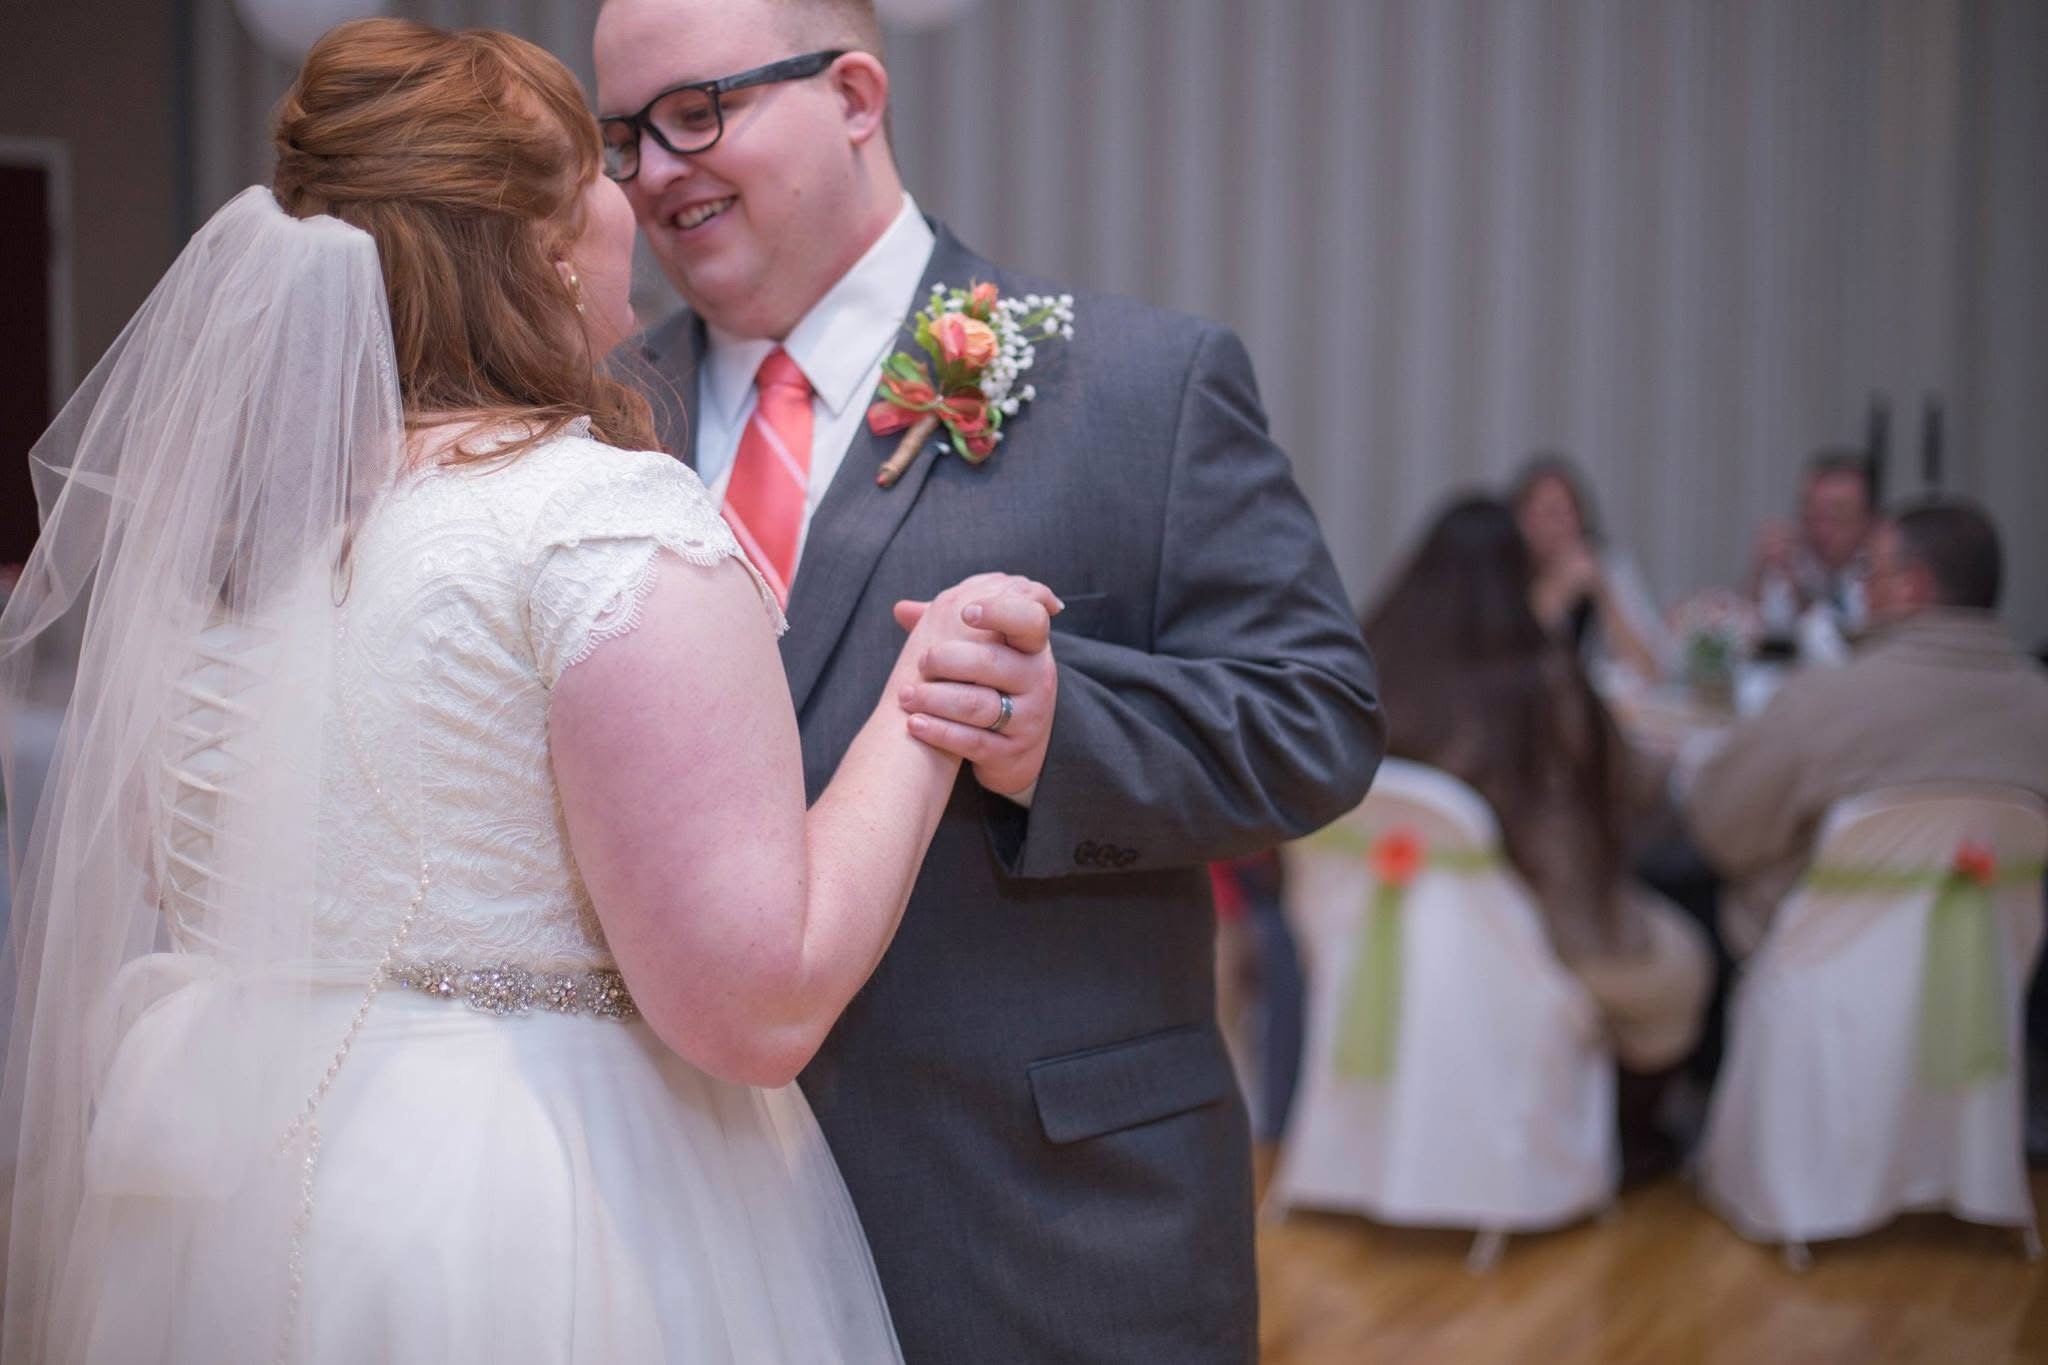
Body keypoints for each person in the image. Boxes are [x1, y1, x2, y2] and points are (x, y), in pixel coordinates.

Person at [0, 21, 1066, 1362]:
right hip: (526, 1204)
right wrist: (927, 699)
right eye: (602, 167)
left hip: (238, 1195)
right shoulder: (594, 521)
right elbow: (759, 1003)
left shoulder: (227, 549)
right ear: (552, 243)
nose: (637, 195)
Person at [595, 1, 1384, 1358]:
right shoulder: (594, 413)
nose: (658, 171)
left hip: (1039, 1224)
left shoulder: (1138, 387)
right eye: (624, 137)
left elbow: (1319, 718)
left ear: (854, 95)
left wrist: (1058, 730)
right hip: (672, 1227)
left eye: (698, 112)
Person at [1361, 497, 1710, 1165]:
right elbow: (1640, 794)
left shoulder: (1368, 674)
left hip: (1385, 938)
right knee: (1682, 961)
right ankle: (1624, 1137)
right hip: (1541, 941)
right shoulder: (1546, 687)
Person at [1687, 498, 2048, 958]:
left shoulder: (1824, 702)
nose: (1862, 590)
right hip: (1991, 975)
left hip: (1818, 968)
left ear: (1911, 585)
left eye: (1869, 572)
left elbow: (1719, 829)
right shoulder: (2039, 705)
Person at [1510, 453, 1666, 684]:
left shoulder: (1609, 564)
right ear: (1520, 520)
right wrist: (1556, 593)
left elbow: (1650, 670)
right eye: (1550, 513)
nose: (1561, 525)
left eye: (1569, 512)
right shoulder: (1503, 569)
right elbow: (1506, 663)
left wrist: (1603, 594)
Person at [1747, 448, 1876, 644]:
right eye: (1811, 516)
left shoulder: (1881, 574)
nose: (1820, 529)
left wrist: (1802, 601)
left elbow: (1849, 648)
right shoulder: (1794, 560)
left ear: (1868, 520)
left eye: (1836, 517)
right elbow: (1758, 634)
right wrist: (1757, 579)